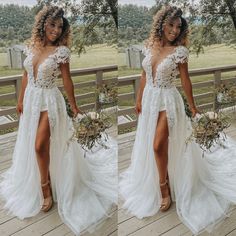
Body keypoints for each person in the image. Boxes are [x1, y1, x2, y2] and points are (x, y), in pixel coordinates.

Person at [0, 6, 117, 235]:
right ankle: (42, 178)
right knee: (32, 144)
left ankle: (46, 190)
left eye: (60, 26)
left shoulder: (61, 52)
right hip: (31, 100)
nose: (56, 30)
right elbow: (26, 75)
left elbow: (67, 81)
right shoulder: (31, 47)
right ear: (43, 23)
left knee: (39, 145)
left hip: (49, 102)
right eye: (52, 24)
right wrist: (21, 99)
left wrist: (73, 106)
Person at [119, 5, 236, 235]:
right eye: (171, 25)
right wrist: (139, 99)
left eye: (178, 27)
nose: (174, 30)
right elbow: (144, 75)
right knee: (150, 144)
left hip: (168, 101)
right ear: (161, 23)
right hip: (150, 100)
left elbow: (185, 81)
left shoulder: (180, 52)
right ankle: (161, 177)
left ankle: (164, 189)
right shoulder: (148, 46)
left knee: (157, 145)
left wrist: (192, 107)